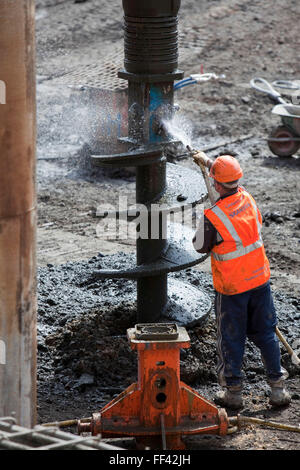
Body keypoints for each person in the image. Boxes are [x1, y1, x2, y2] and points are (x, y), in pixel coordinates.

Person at [192, 152, 291, 409]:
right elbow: (227, 182)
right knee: (267, 334)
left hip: (232, 289)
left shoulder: (213, 217)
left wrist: (205, 221)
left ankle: (233, 394)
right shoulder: (248, 198)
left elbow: (199, 246)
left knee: (231, 338)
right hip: (260, 282)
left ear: (215, 183)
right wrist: (208, 162)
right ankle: (278, 389)